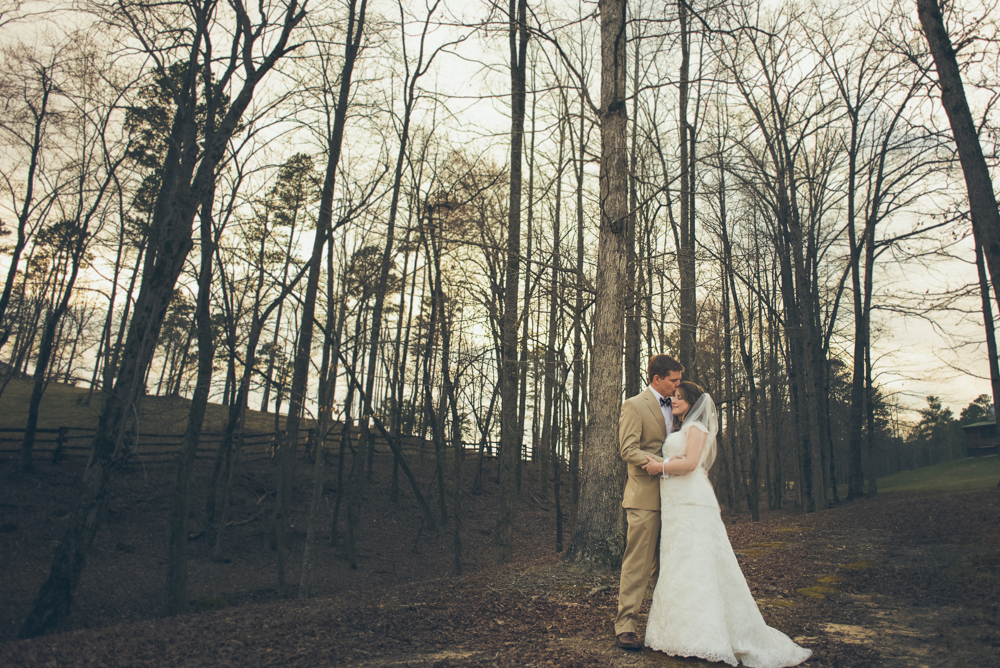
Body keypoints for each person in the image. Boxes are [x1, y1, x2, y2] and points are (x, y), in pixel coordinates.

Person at [641, 382, 812, 667]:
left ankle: (704, 637)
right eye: (673, 396)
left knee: (697, 565)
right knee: (680, 565)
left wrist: (661, 466)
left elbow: (693, 464)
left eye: (680, 398)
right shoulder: (683, 429)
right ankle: (677, 633)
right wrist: (673, 460)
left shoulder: (697, 428)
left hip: (692, 503)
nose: (675, 400)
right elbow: (692, 463)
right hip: (676, 504)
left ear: (693, 403)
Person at [614, 354, 684, 651]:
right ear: (657, 379)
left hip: (677, 497)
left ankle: (664, 626)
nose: (678, 386)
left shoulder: (681, 405)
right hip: (644, 497)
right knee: (638, 564)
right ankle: (626, 625)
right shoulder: (634, 405)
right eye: (673, 380)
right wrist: (662, 463)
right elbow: (628, 449)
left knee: (669, 566)